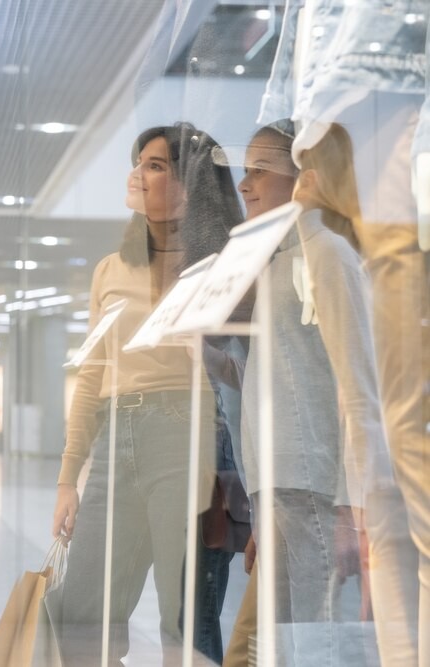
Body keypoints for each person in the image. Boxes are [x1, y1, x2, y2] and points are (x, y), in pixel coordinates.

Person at [52, 123, 242, 666]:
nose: (137, 174)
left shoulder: (217, 265)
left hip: (189, 433)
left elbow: (246, 369)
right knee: (82, 612)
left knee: (184, 622)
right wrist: (68, 477)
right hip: (117, 437)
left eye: (155, 165)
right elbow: (93, 373)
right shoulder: (112, 269)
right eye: (138, 163)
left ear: (189, 184)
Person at [228, 121, 390, 666]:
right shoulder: (280, 260)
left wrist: (351, 505)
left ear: (304, 177)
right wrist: (262, 506)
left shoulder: (328, 254)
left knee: (320, 646)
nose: (244, 184)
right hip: (283, 490)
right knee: (287, 648)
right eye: (245, 170)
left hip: (317, 490)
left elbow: (359, 385)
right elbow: (273, 382)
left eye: (260, 170)